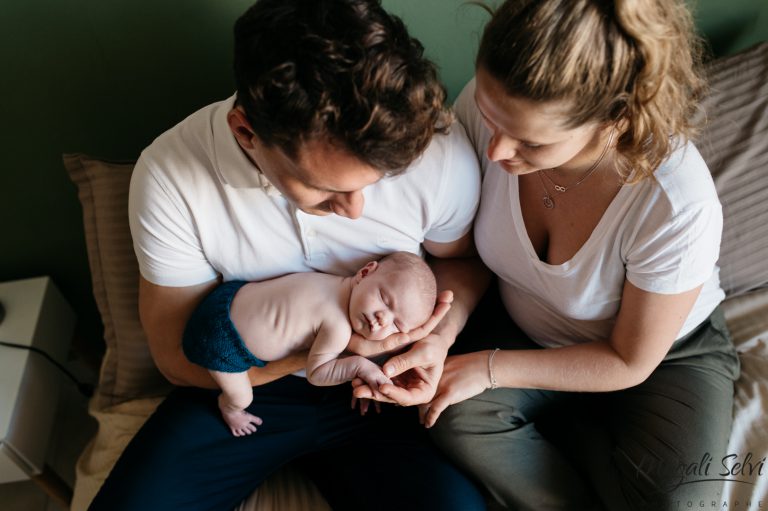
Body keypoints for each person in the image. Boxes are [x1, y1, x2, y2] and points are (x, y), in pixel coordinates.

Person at [88, 1, 488, 510]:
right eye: (325, 190)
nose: (354, 209)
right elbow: (175, 356)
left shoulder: (433, 150)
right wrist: (322, 357)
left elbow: (464, 263)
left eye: (373, 184)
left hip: (381, 389)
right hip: (246, 385)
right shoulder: (170, 176)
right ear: (246, 133)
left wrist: (438, 337)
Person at [417, 1, 741, 510]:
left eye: (530, 142)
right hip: (526, 318)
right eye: (489, 115)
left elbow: (628, 360)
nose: (496, 152)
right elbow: (470, 255)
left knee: (682, 502)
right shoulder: (492, 111)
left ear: (614, 116)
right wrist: (443, 331)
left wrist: (489, 367)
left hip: (661, 354)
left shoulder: (675, 202)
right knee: (452, 416)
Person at [183, 252, 437, 436]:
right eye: (384, 299)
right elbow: (317, 374)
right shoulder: (336, 326)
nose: (383, 320)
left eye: (396, 326)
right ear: (365, 272)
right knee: (242, 396)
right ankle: (229, 409)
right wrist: (360, 367)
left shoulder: (330, 280)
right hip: (224, 344)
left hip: (225, 299)